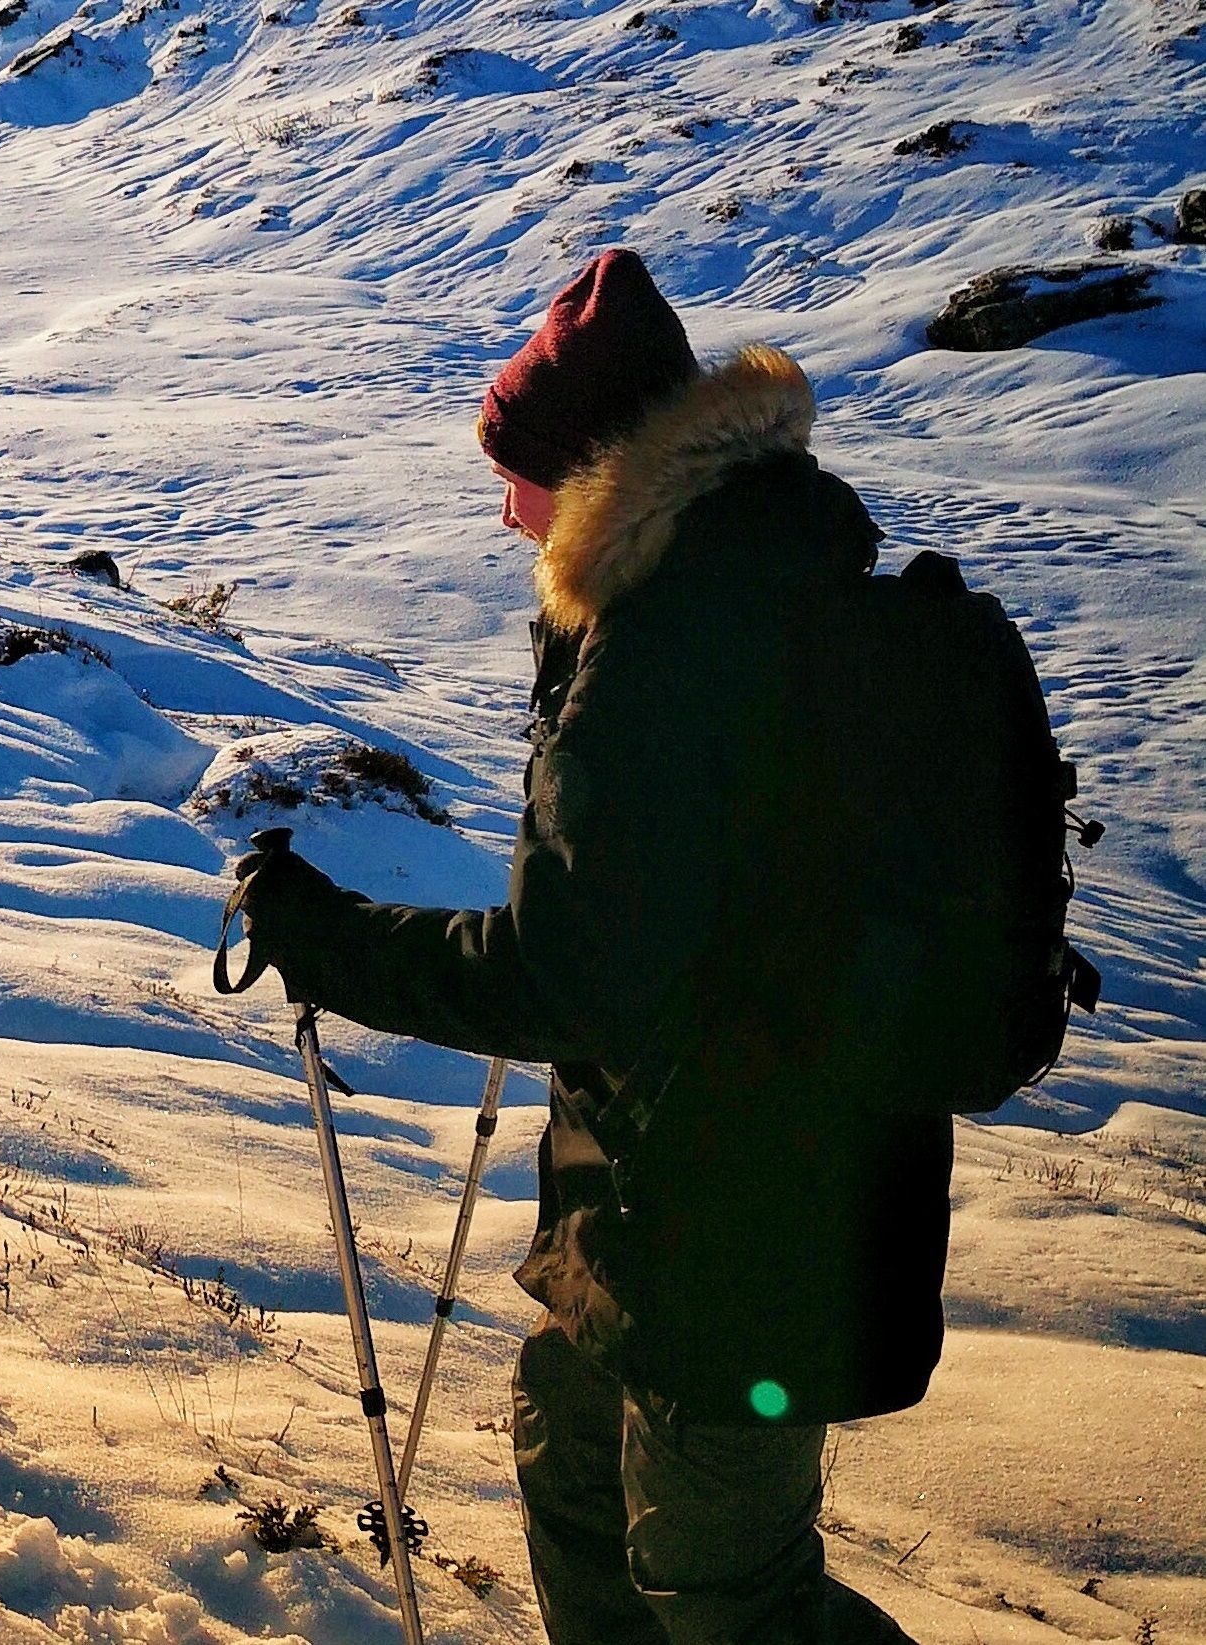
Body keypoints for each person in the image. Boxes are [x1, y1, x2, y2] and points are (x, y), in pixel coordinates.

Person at [227, 249, 936, 1645]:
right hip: (692, 1185)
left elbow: (570, 973)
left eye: (523, 474)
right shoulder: (733, 572)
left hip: (747, 1211)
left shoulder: (677, 639)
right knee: (568, 1448)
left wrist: (326, 939)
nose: (504, 513)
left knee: (731, 1595)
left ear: (600, 471)